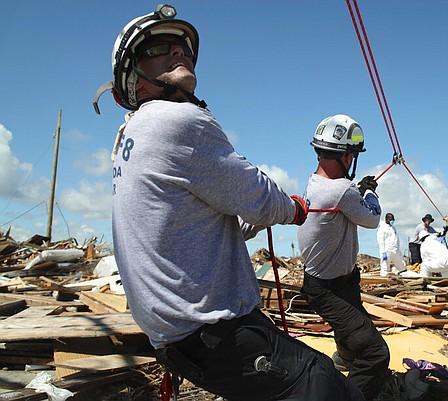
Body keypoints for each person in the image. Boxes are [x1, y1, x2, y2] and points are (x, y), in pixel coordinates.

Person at [95, 5, 364, 401]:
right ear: (133, 75)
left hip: (175, 340)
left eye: (183, 48)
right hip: (211, 332)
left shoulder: (129, 137)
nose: (179, 52)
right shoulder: (179, 120)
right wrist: (293, 209)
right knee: (325, 382)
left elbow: (191, 224)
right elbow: (256, 196)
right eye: (160, 47)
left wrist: (254, 221)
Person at [297, 114, 390, 401]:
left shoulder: (316, 183)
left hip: (332, 283)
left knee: (351, 338)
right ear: (348, 157)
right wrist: (370, 193)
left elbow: (343, 201)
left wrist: (358, 191)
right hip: (329, 290)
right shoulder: (342, 190)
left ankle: (343, 363)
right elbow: (372, 218)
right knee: (375, 353)